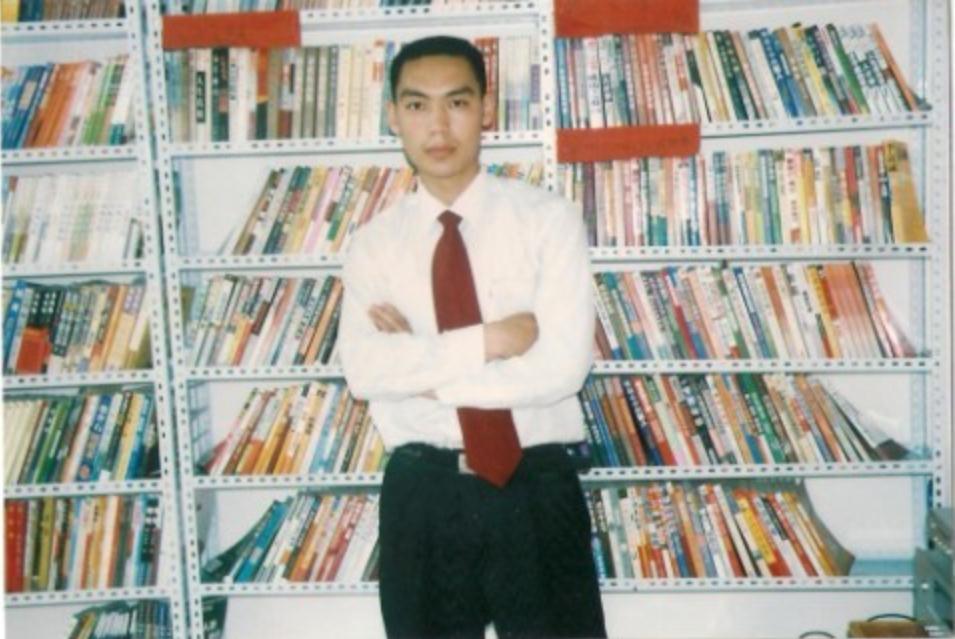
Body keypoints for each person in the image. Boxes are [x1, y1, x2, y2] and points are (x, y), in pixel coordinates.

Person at [339, 35, 607, 639]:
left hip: (535, 489)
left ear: (485, 109)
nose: (438, 125)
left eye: (457, 102)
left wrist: (424, 372)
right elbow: (364, 371)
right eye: (417, 105)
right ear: (393, 116)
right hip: (423, 493)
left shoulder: (548, 221)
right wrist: (490, 340)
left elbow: (562, 369)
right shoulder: (372, 247)